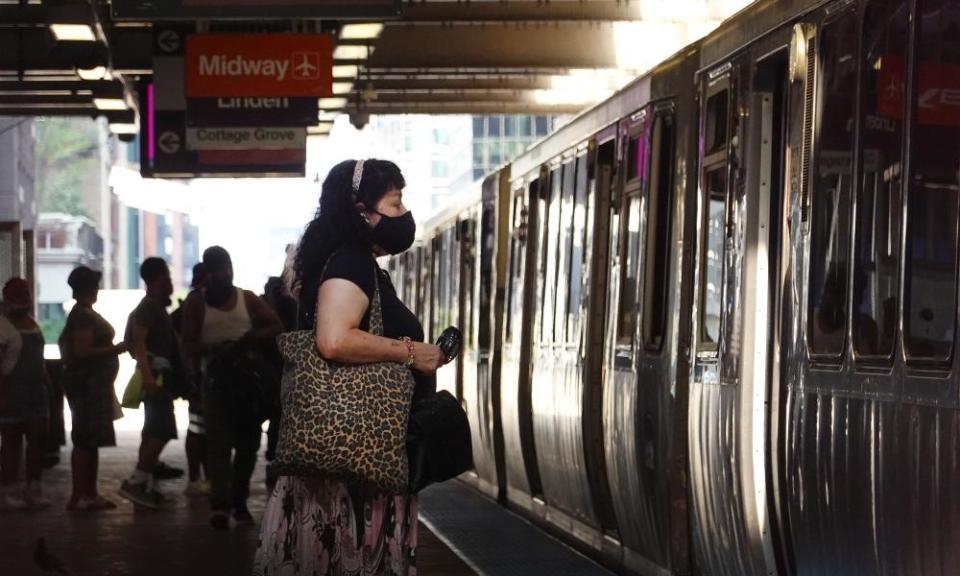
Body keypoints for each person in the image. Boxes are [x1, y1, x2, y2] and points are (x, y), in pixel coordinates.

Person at [253, 159, 446, 575]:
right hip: (357, 465)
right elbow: (334, 339)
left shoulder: (350, 263)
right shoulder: (350, 264)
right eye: (395, 204)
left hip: (355, 463)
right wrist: (413, 352)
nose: (404, 214)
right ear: (363, 212)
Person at [181, 247, 282, 529]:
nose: (225, 274)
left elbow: (276, 327)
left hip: (248, 383)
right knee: (219, 444)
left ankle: (238, 502)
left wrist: (249, 340)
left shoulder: (246, 298)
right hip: (215, 382)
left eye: (227, 268)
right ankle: (221, 504)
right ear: (208, 273)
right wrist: (213, 351)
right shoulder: (196, 304)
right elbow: (187, 344)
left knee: (248, 445)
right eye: (219, 270)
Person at [58, 266, 126, 511]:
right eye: (95, 285)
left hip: (93, 386)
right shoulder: (83, 316)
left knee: (90, 440)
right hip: (88, 387)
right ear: (88, 288)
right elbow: (82, 351)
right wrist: (116, 349)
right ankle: (80, 494)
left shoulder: (83, 313)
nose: (98, 289)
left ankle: (89, 493)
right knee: (86, 440)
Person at [118, 258, 180, 509]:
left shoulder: (154, 307)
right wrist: (150, 378)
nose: (171, 282)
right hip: (155, 378)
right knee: (161, 430)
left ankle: (145, 486)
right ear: (159, 278)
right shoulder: (147, 308)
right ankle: (136, 481)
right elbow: (139, 345)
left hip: (157, 376)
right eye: (168, 277)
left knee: (153, 431)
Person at [0, 278, 51, 511]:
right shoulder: (3, 327)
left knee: (36, 442)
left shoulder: (33, 323)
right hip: (11, 392)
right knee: (11, 443)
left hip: (36, 393)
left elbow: (38, 361)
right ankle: (8, 490)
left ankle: (33, 487)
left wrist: (47, 384)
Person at [176, 263, 209, 495]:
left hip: (197, 375)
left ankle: (200, 476)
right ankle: (197, 476)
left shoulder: (191, 302)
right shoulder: (197, 302)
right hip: (199, 376)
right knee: (198, 428)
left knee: (199, 428)